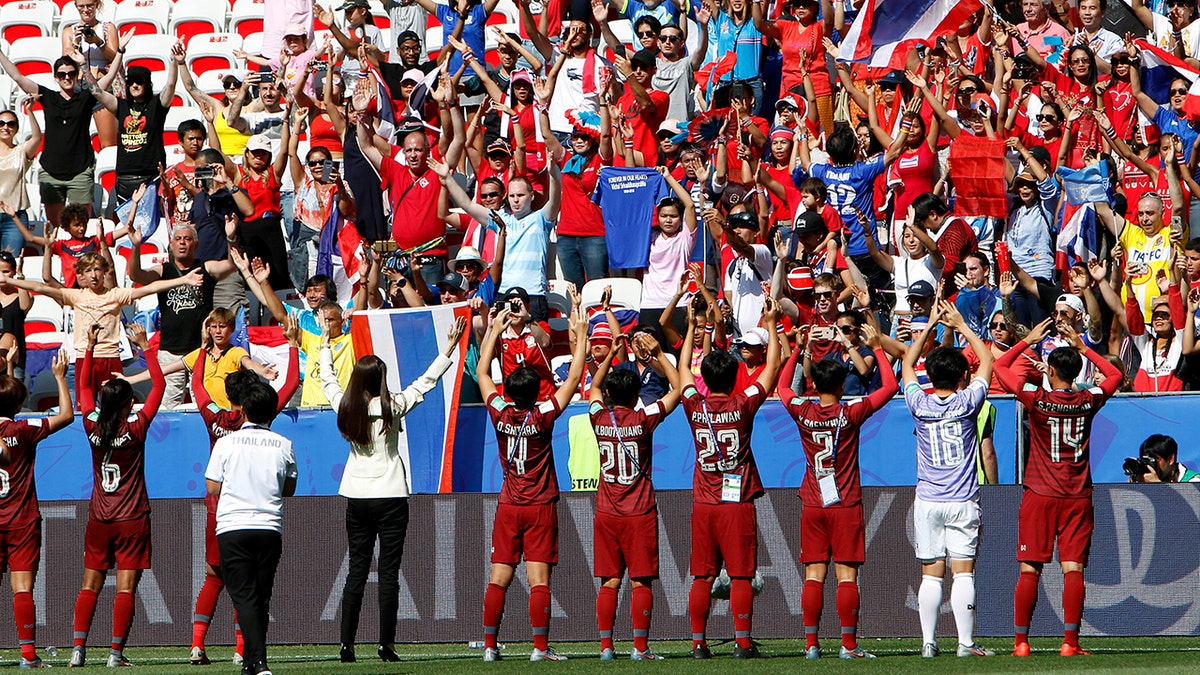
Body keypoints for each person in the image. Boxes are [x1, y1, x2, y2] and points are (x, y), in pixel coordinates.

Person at [322, 317, 466, 663]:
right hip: (390, 496)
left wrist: (326, 342)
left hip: (357, 495)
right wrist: (448, 347)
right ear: (381, 380)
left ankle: (346, 645)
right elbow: (426, 383)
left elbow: (326, 379)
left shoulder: (347, 406)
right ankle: (386, 645)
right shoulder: (392, 406)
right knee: (389, 571)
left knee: (357, 569)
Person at [992, 317, 1123, 657]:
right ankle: (1070, 643)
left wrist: (1027, 341)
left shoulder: (1037, 398)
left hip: (1039, 493)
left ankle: (1021, 642)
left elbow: (1000, 366)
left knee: (1029, 567)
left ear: (1050, 371)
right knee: (1073, 568)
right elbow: (1115, 376)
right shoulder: (1088, 400)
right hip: (1077, 495)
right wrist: (1084, 347)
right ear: (1076, 373)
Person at [475, 303, 587, 662]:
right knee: (539, 580)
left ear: (508, 389)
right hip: (539, 505)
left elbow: (481, 372)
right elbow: (572, 379)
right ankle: (540, 648)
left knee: (499, 578)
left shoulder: (500, 412)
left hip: (509, 504)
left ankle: (490, 647)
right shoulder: (543, 415)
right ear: (537, 388)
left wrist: (493, 330)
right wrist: (581, 335)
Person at [779, 321, 896, 660]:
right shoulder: (851, 412)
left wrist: (799, 350)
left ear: (813, 384)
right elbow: (888, 387)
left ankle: (811, 645)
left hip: (812, 502)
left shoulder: (802, 409)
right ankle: (848, 645)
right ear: (844, 384)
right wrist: (875, 347)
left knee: (814, 574)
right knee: (847, 575)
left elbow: (784, 387)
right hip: (845, 501)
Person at [186, 320, 299, 667]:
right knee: (252, 588)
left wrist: (205, 351)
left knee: (214, 576)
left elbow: (197, 388)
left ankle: (197, 645)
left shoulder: (217, 421)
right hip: (261, 515)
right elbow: (291, 383)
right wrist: (292, 346)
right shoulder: (268, 425)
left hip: (219, 510)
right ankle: (241, 650)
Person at [679, 298, 781, 659]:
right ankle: (741, 642)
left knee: (702, 576)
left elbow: (682, 375)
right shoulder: (743, 404)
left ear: (705, 378)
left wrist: (693, 327)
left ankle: (697, 642)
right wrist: (770, 323)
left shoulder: (694, 404)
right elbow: (772, 367)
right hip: (736, 503)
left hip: (704, 503)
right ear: (732, 375)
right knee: (740, 575)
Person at [902, 301, 995, 658]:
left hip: (928, 501)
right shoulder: (969, 402)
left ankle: (928, 643)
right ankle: (965, 644)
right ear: (962, 377)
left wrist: (929, 328)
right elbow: (986, 360)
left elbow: (909, 364)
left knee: (930, 574)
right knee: (964, 574)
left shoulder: (919, 405)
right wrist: (961, 325)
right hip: (962, 500)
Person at [69, 323, 162, 668]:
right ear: (127, 405)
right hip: (132, 517)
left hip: (99, 516)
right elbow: (161, 386)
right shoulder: (135, 428)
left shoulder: (92, 425)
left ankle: (78, 650)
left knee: (89, 583)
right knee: (125, 587)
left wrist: (89, 349)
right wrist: (143, 347)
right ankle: (114, 653)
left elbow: (82, 387)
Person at [588, 331, 681, 661]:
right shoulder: (643, 419)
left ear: (612, 393)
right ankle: (640, 648)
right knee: (641, 582)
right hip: (639, 511)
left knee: (609, 581)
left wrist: (610, 356)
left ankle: (605, 647)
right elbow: (679, 389)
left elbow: (595, 388)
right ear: (638, 392)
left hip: (607, 512)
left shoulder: (598, 418)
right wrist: (658, 356)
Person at [205, 381, 297, 675]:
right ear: (272, 413)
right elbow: (290, 488)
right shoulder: (283, 444)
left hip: (233, 526)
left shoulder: (226, 442)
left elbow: (211, 485)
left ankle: (258, 662)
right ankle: (251, 662)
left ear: (242, 411)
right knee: (261, 596)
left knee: (244, 596)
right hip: (269, 526)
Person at [0, 352, 72, 669]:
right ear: (19, 406)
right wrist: (59, 376)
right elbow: (67, 416)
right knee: (22, 588)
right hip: (22, 520)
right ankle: (28, 655)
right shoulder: (25, 429)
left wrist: (8, 369)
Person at [126, 224, 237, 408]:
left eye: (187, 239)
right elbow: (136, 275)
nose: (182, 242)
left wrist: (231, 238)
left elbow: (231, 265)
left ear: (196, 245)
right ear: (170, 244)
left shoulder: (206, 267)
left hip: (201, 349)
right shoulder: (164, 270)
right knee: (169, 405)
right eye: (178, 239)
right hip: (171, 348)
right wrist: (136, 246)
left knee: (206, 404)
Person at [0, 98, 40, 254]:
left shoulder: (21, 152)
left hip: (14, 217)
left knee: (12, 262)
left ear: (16, 128)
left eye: (11, 124)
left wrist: (29, 111)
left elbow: (37, 138)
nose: (5, 127)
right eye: (1, 123)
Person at [1130, 434, 1200, 482]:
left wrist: (1157, 486)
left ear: (1170, 459)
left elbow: (1184, 503)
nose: (1149, 466)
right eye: (1146, 460)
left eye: (1154, 459)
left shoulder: (1194, 482)